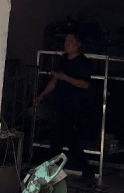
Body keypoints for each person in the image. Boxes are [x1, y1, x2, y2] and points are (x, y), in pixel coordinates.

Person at [34, 32, 96, 182]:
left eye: (71, 41)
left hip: (74, 105)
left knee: (57, 139)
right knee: (70, 139)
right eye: (66, 41)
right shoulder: (63, 60)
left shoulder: (83, 62)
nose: (67, 44)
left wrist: (65, 78)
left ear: (78, 44)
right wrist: (42, 96)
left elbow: (85, 84)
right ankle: (87, 169)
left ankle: (48, 172)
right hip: (60, 103)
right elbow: (55, 80)